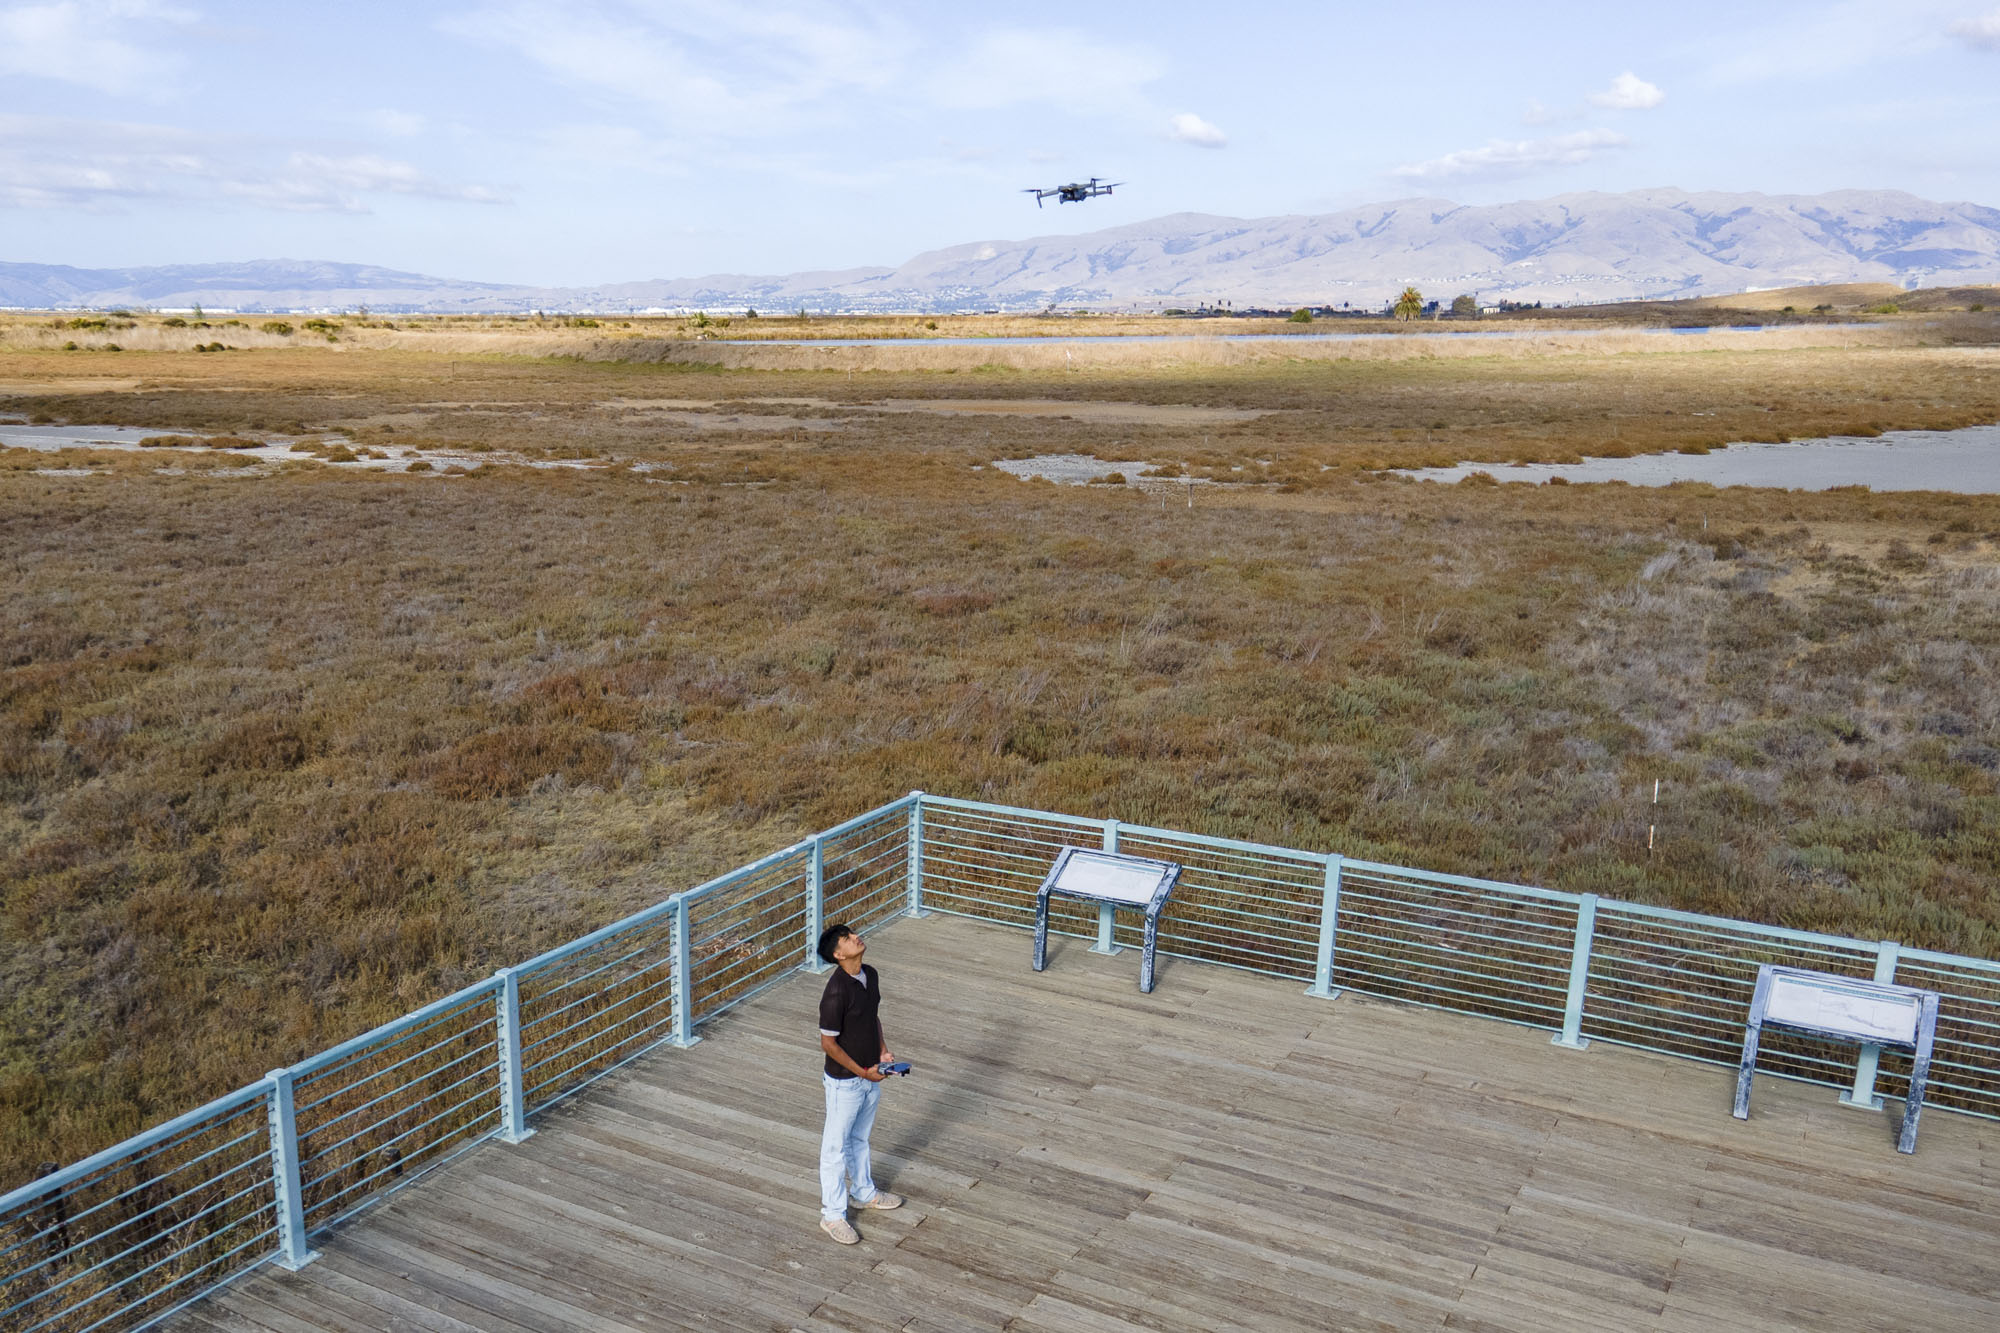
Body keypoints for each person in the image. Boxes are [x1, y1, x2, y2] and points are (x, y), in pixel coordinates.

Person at [816, 923, 903, 1244]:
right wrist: (862, 1072)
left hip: (870, 1073)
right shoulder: (835, 993)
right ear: (839, 955)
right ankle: (833, 1216)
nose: (855, 937)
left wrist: (881, 1050)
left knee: (860, 1139)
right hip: (844, 1083)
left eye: (851, 933)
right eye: (847, 939)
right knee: (835, 1149)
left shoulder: (870, 974)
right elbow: (828, 1044)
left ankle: (864, 1192)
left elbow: (872, 1016)